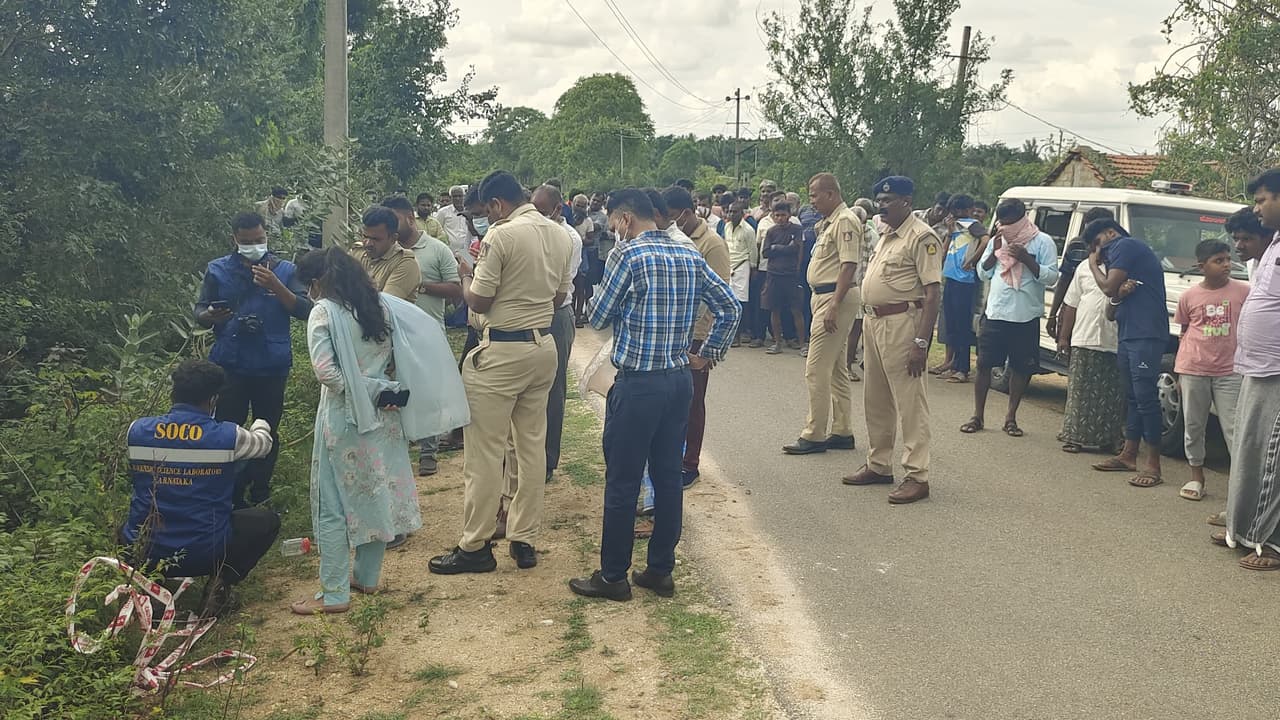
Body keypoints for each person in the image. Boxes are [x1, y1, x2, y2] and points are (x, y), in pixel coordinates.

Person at [568, 188, 740, 601]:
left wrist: (618, 294)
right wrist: (707, 354)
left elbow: (599, 317)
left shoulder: (626, 256)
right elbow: (730, 307)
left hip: (638, 384)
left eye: (614, 223)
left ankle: (613, 576)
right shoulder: (689, 254)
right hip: (678, 380)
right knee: (667, 477)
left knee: (623, 481)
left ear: (625, 220)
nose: (614, 230)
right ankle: (660, 569)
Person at [429, 171, 574, 575]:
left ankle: (475, 545)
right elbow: (560, 296)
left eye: (485, 211)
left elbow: (479, 299)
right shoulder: (560, 234)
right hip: (542, 347)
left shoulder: (502, 235)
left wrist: (465, 275)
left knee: (484, 452)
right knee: (530, 447)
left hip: (501, 352)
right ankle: (524, 537)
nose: (485, 218)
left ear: (497, 204)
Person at [289, 248, 423, 614]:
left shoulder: (324, 312)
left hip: (344, 418)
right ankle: (367, 576)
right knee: (375, 493)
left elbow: (326, 373)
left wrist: (365, 391)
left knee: (332, 504)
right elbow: (398, 359)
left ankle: (334, 592)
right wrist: (381, 389)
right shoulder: (379, 307)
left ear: (317, 282)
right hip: (385, 415)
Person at [120, 359, 279, 615]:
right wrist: (261, 422)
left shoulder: (136, 431)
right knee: (266, 521)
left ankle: (150, 587)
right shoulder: (228, 436)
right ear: (213, 399)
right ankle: (220, 586)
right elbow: (264, 444)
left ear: (173, 393)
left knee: (125, 527)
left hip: (144, 549)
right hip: (205, 552)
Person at [195, 211, 312, 508]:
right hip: (230, 364)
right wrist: (210, 316)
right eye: (246, 242)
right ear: (234, 239)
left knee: (268, 430)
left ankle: (261, 492)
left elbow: (304, 309)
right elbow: (199, 312)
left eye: (259, 240)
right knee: (226, 430)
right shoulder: (217, 269)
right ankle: (229, 494)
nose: (254, 246)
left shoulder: (285, 270)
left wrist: (275, 286)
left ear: (266, 235)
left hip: (271, 365)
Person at [842, 176, 941, 504]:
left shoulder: (921, 237)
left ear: (907, 201)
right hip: (874, 321)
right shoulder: (886, 234)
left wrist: (922, 342)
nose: (882, 205)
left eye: (889, 200)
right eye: (880, 200)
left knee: (910, 402)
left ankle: (917, 475)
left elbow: (932, 293)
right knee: (876, 397)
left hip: (903, 323)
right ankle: (879, 463)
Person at [1217, 172, 1280, 568]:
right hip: (1259, 367)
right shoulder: (1273, 246)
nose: (1257, 209)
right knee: (1252, 449)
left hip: (1276, 369)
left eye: (1262, 200)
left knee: (1274, 457)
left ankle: (1271, 542)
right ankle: (1244, 530)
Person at [961, 199, 1059, 437]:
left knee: (1020, 368)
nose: (1004, 228)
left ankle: (1011, 418)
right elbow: (983, 273)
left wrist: (1026, 258)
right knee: (984, 365)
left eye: (1009, 223)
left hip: (1025, 315)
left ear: (1022, 218)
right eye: (1001, 223)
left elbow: (1051, 277)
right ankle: (977, 416)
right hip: (996, 313)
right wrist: (995, 252)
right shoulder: (998, 239)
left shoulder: (1042, 241)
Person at [1083, 217, 1168, 489]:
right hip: (1129, 332)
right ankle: (1128, 455)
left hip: (1145, 333)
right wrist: (1118, 293)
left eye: (1098, 244)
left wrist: (1093, 265)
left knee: (1145, 397)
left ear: (1110, 233)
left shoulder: (1125, 245)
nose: (1099, 253)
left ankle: (1153, 465)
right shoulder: (1122, 255)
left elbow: (1107, 287)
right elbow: (1112, 304)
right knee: (1132, 397)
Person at [381, 196, 462, 478]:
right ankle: (398, 452)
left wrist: (418, 285)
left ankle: (428, 453)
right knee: (394, 394)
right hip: (390, 337)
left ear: (410, 218)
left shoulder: (437, 249)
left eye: (394, 219)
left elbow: (456, 290)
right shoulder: (384, 252)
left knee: (427, 395)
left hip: (427, 335)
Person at [782, 175, 860, 455]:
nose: (811, 201)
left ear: (830, 194)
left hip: (833, 297)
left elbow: (849, 265)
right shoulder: (829, 222)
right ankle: (842, 430)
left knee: (816, 369)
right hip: (823, 295)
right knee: (836, 368)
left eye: (815, 195)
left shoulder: (845, 221)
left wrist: (834, 305)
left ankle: (814, 434)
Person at [664, 186, 731, 487]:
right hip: (673, 332)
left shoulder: (712, 244)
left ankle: (689, 464)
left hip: (697, 334)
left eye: (672, 217)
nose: (668, 222)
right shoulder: (673, 237)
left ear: (686, 213)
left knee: (692, 402)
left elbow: (721, 297)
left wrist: (708, 348)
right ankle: (671, 458)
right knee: (671, 402)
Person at [1174, 239, 1249, 501]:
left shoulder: (1244, 292)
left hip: (1230, 370)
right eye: (1219, 261)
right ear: (1201, 266)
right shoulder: (1189, 296)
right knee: (1194, 425)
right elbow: (1184, 331)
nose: (1226, 264)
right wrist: (1181, 372)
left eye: (1228, 259)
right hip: (1194, 368)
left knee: (1234, 428)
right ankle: (1197, 476)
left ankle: (1239, 486)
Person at [1056, 235, 1126, 455]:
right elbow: (1071, 304)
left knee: (1112, 395)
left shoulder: (1124, 269)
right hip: (1084, 337)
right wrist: (1064, 337)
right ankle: (1074, 437)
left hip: (1114, 340)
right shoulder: (1084, 268)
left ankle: (1110, 440)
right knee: (1080, 392)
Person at [1047, 207, 1116, 343]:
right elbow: (1064, 280)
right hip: (1072, 305)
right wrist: (1053, 314)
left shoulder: (1119, 250)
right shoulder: (1077, 244)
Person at [935, 194, 983, 383]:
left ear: (967, 210)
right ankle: (953, 365)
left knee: (962, 326)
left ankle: (963, 368)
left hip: (965, 280)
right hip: (951, 276)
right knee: (952, 324)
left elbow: (986, 240)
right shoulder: (955, 226)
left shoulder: (972, 225)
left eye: (957, 210)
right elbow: (944, 250)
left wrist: (972, 260)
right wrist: (949, 232)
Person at [760, 202, 809, 355]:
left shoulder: (797, 229)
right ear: (773, 216)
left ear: (789, 215)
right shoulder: (771, 231)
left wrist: (777, 248)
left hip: (791, 275)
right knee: (775, 310)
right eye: (777, 215)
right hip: (774, 274)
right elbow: (765, 252)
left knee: (796, 310)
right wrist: (784, 248)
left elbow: (798, 249)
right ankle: (777, 343)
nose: (780, 218)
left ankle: (802, 344)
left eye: (783, 215)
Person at [357, 206, 421, 303]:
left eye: (376, 239)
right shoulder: (357, 252)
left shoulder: (405, 263)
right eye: (365, 237)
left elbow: (384, 305)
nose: (368, 243)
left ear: (393, 239)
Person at [722, 201, 758, 344]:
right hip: (729, 265)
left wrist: (753, 269)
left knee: (741, 301)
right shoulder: (726, 226)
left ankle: (742, 332)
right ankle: (732, 334)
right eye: (729, 211)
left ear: (742, 214)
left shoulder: (748, 230)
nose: (731, 214)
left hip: (742, 266)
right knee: (729, 300)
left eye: (735, 212)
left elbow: (753, 251)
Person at [435, 185, 479, 264]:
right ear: (451, 198)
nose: (458, 198)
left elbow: (475, 231)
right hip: (449, 251)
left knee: (468, 269)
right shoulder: (443, 212)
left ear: (464, 196)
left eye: (460, 196)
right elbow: (438, 229)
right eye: (455, 196)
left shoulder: (470, 211)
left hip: (467, 251)